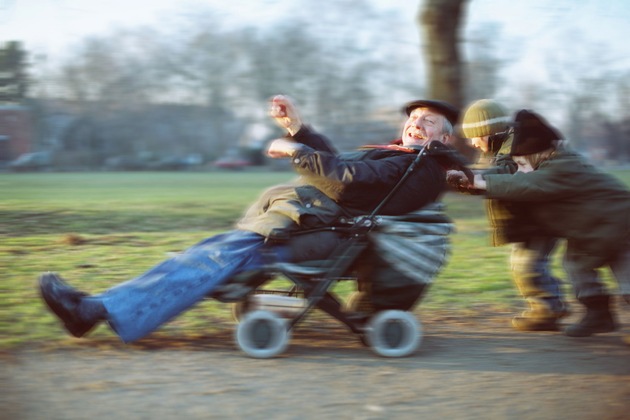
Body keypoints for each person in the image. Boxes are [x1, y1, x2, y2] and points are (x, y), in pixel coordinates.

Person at [39, 95, 461, 343]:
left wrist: (296, 152)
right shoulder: (400, 157)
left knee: (204, 261)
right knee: (206, 256)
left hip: (323, 236)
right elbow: (343, 168)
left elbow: (347, 182)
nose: (415, 122)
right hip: (312, 226)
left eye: (428, 121)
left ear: (446, 137)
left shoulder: (424, 167)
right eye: (412, 117)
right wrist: (298, 130)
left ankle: (94, 310)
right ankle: (103, 308)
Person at [472, 109, 630, 337]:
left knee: (626, 274)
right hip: (586, 230)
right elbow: (514, 175)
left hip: (620, 225)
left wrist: (481, 184)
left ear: (541, 155)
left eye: (523, 164)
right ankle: (599, 315)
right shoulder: (541, 163)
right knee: (576, 267)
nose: (520, 171)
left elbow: (526, 185)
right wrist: (474, 178)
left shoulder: (562, 167)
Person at [448, 99, 568, 331]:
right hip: (527, 223)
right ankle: (549, 306)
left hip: (540, 221)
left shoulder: (517, 147)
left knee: (529, 266)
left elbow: (504, 173)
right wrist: (465, 182)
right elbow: (488, 181)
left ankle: (548, 308)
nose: (472, 143)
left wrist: (469, 177)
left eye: (476, 136)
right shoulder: (494, 150)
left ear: (491, 133)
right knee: (524, 266)